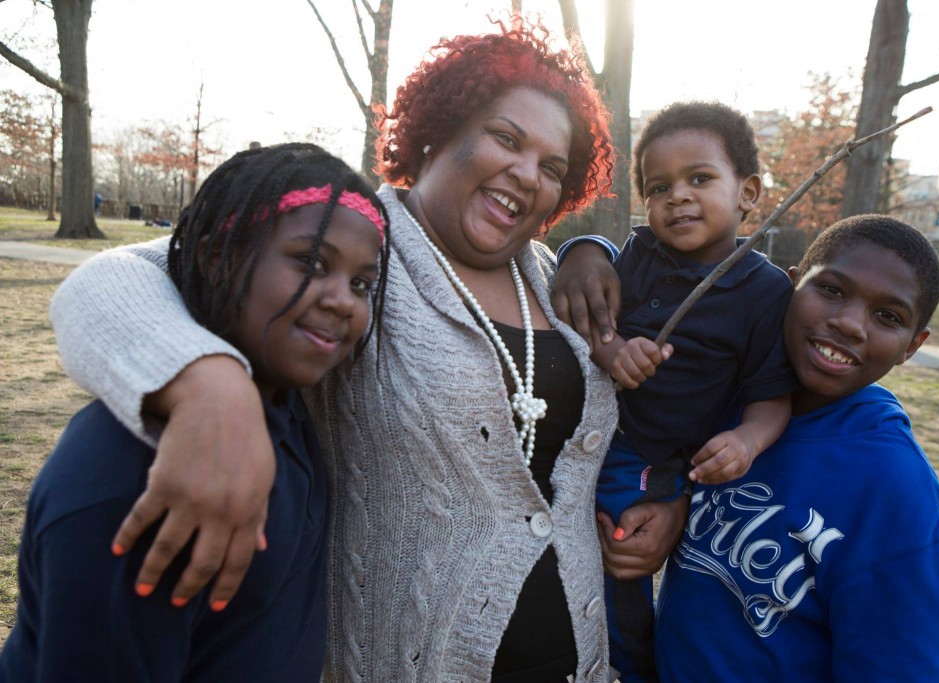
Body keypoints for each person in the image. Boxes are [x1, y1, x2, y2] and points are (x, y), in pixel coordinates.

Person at [48, 18, 619, 682]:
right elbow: (109, 284)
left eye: (553, 168)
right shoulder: (356, 246)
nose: (527, 174)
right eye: (505, 138)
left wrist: (594, 246)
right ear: (439, 130)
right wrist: (209, 387)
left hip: (579, 659)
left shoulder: (548, 276)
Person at [0, 142, 390, 681]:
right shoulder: (134, 478)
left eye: (361, 284)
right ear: (217, 256)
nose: (343, 300)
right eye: (310, 262)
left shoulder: (291, 408)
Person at [585, 215, 939, 681]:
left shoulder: (897, 496)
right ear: (788, 286)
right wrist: (678, 503)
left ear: (912, 346)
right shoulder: (727, 401)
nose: (849, 323)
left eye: (888, 317)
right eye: (831, 290)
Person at [564, 101, 800, 680]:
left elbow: (771, 395)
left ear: (748, 193)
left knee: (621, 547)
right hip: (588, 429)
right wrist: (613, 349)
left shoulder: (764, 291)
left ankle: (626, 662)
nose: (677, 196)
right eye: (658, 186)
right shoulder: (643, 255)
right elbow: (594, 318)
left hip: (649, 459)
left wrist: (746, 440)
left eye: (700, 178)